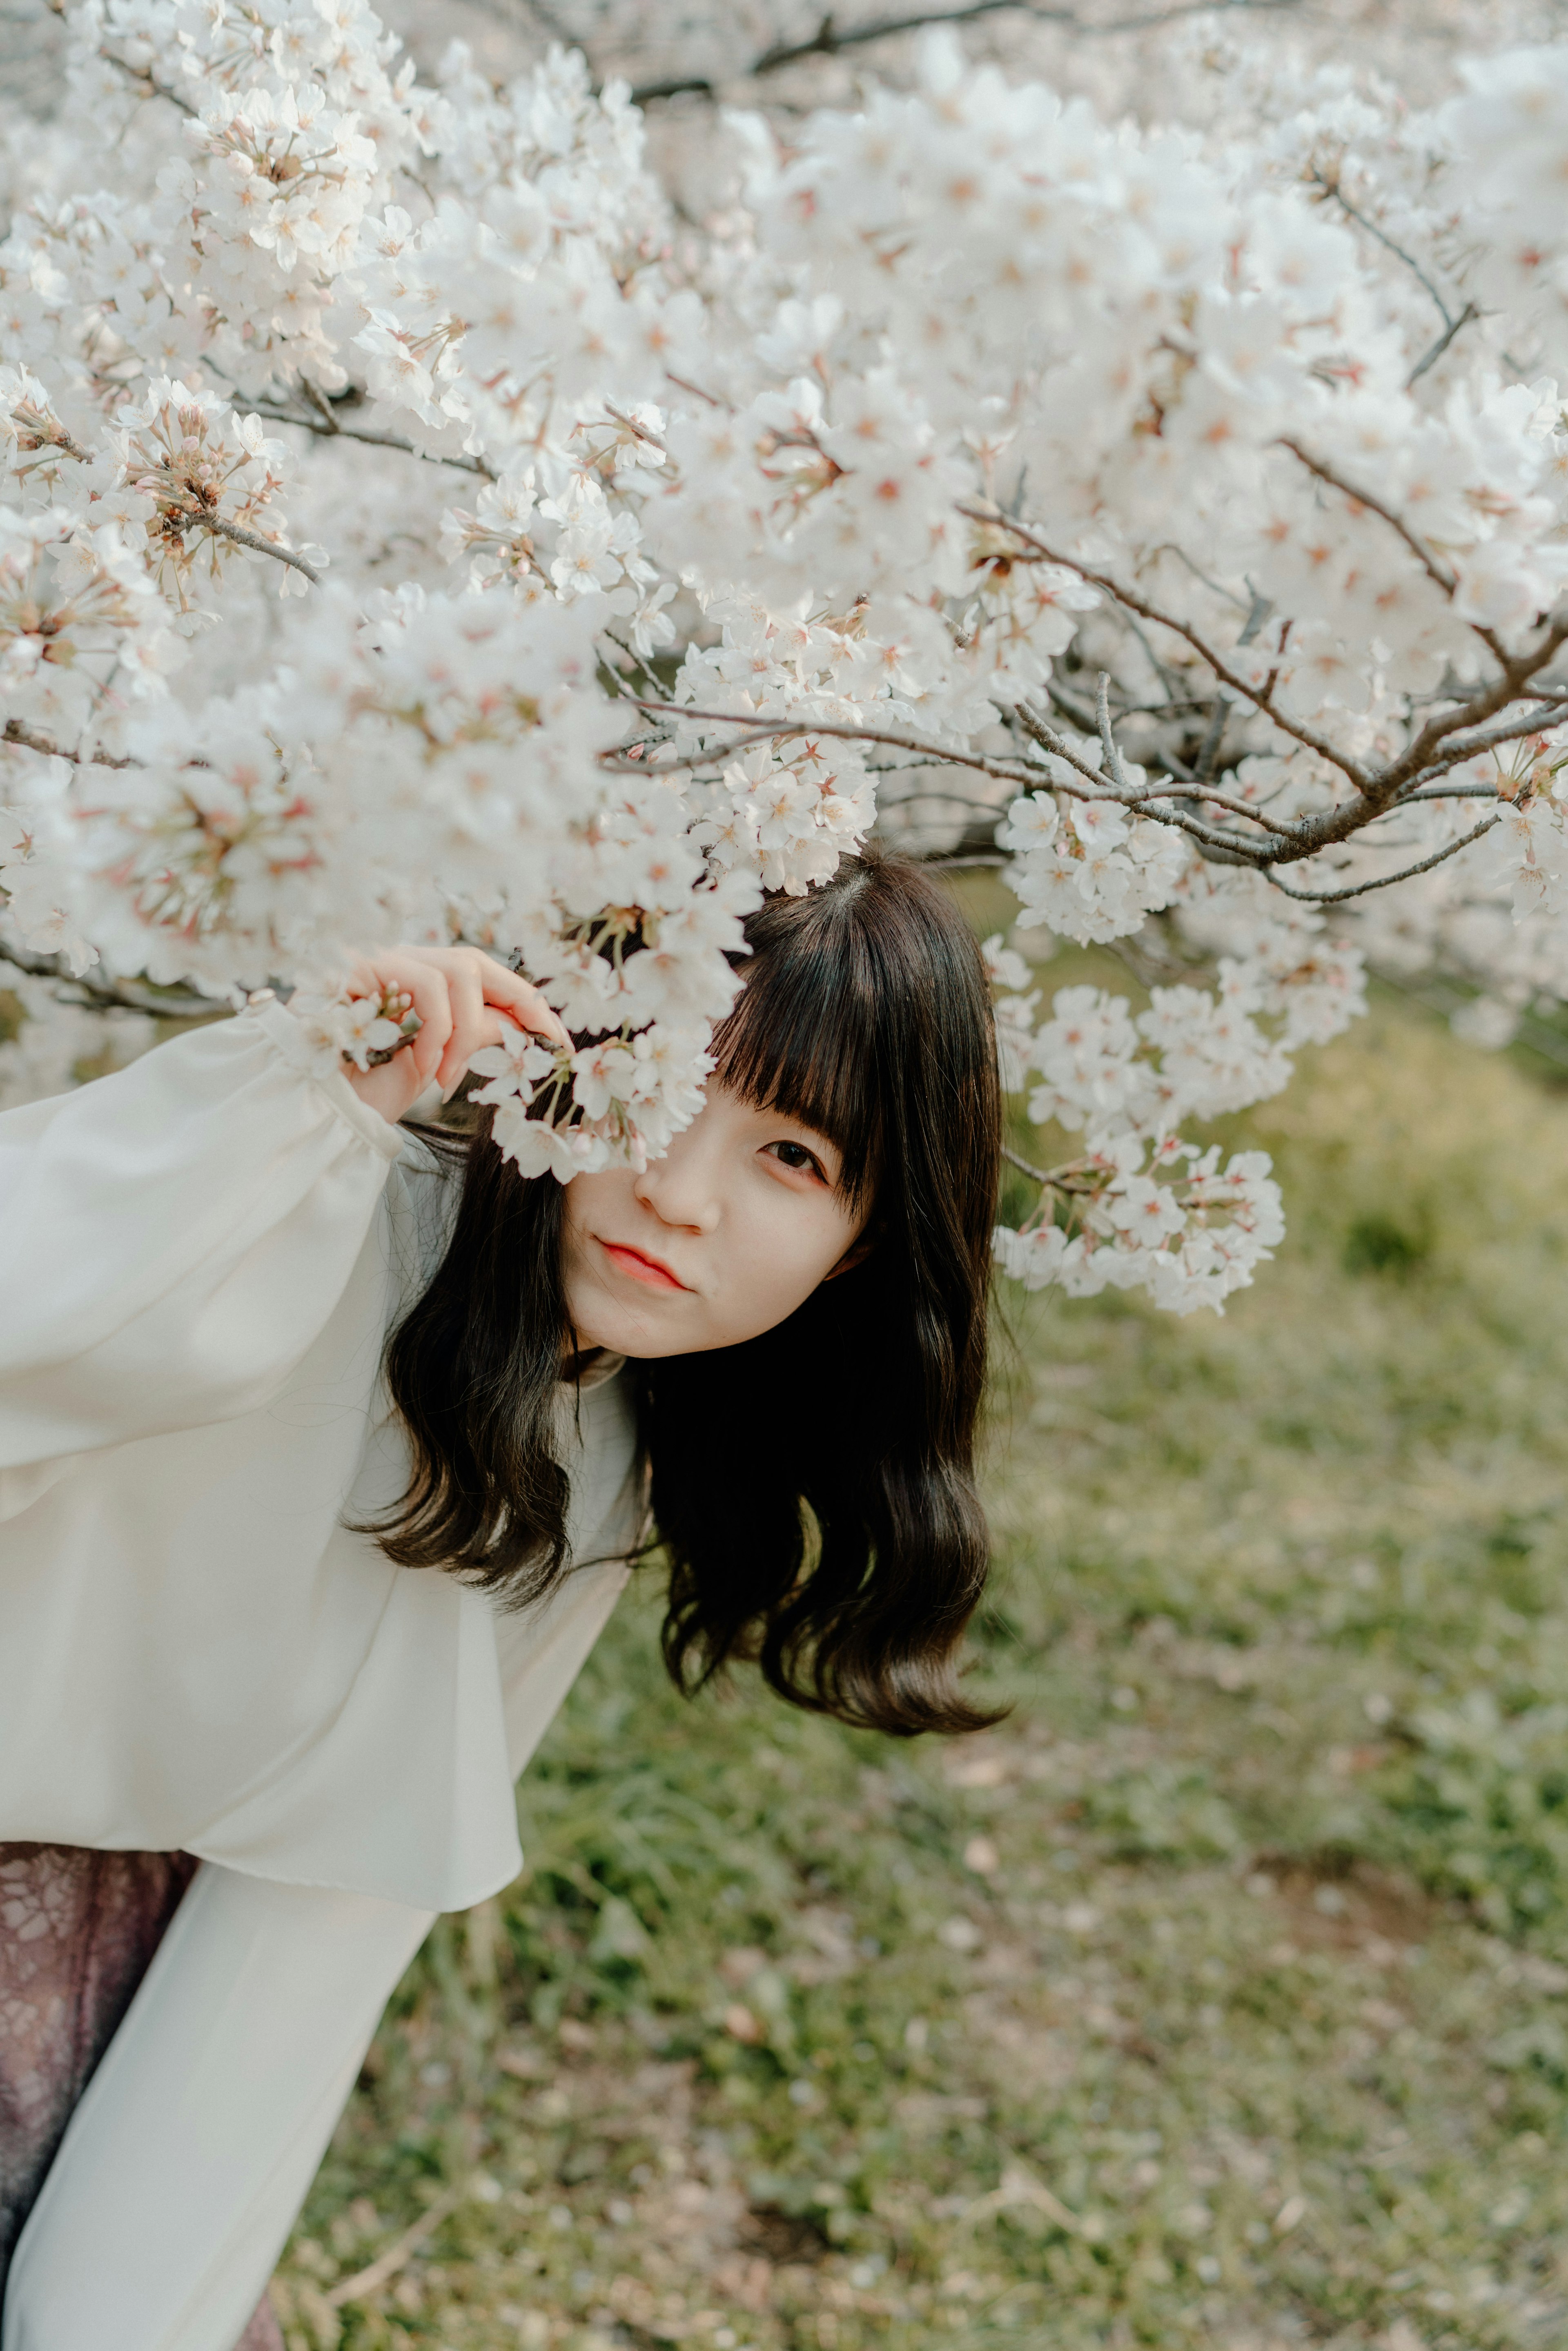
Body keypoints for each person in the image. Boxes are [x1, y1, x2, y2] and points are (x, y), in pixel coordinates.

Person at [0, 849, 1002, 2351]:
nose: (678, 1189)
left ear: (872, 1236)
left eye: (793, 1155)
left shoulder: (605, 1449)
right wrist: (274, 1106)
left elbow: (306, 1940)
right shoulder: (318, 1185)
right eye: (654, 1081)